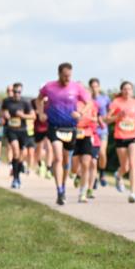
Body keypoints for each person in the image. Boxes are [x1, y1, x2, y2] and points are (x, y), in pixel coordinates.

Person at [36, 63, 91, 206]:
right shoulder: (49, 87)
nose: (67, 78)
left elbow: (88, 103)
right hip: (54, 127)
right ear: (59, 74)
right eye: (65, 76)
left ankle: (63, 186)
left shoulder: (76, 87)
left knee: (67, 161)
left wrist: (80, 113)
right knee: (58, 157)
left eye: (69, 76)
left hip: (70, 128)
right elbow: (39, 99)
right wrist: (41, 113)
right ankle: (59, 190)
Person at [105, 81, 135, 203]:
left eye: (129, 89)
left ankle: (132, 193)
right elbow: (106, 120)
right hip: (120, 136)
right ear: (121, 90)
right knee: (125, 167)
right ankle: (118, 175)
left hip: (134, 136)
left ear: (132, 91)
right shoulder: (116, 102)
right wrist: (117, 117)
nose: (127, 91)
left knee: (132, 163)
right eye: (125, 89)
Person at [1, 83, 36, 189]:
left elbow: (33, 116)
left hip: (22, 131)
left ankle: (17, 171)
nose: (16, 94)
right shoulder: (7, 101)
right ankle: (15, 179)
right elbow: (1, 111)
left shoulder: (25, 103)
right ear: (12, 91)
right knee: (15, 151)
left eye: (19, 92)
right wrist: (4, 114)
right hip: (12, 130)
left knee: (22, 155)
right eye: (15, 92)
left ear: (21, 92)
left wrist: (23, 115)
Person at [89, 78, 111, 188]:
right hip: (90, 131)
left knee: (102, 152)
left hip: (102, 130)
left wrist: (104, 119)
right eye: (92, 87)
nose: (94, 89)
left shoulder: (105, 98)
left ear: (99, 87)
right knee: (93, 156)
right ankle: (94, 178)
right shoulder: (87, 99)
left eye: (96, 86)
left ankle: (102, 173)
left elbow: (110, 112)